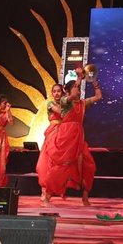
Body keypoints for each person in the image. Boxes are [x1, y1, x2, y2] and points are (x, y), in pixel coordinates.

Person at [38, 71, 102, 205]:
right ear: (67, 91)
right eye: (75, 88)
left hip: (78, 137)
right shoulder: (64, 101)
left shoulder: (83, 103)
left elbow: (98, 96)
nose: (78, 90)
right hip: (66, 136)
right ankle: (47, 196)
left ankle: (85, 197)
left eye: (78, 88)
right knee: (62, 166)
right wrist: (79, 78)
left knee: (89, 165)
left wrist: (95, 83)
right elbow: (72, 96)